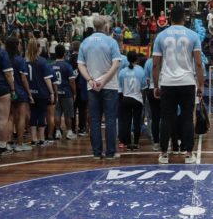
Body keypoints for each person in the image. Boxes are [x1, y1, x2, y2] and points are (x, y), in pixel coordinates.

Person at [152, 4, 203, 164]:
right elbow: (199, 64)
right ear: (184, 17)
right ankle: (188, 154)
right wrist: (200, 85)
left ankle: (163, 154)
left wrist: (156, 85)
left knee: (166, 118)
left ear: (169, 17)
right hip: (187, 82)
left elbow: (155, 64)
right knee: (187, 118)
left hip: (167, 82)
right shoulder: (193, 35)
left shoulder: (160, 36)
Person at [78, 15, 122, 160]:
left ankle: (96, 153)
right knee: (110, 119)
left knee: (95, 120)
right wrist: (103, 81)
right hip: (109, 85)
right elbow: (116, 64)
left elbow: (80, 65)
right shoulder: (111, 42)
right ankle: (110, 153)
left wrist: (90, 80)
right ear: (106, 26)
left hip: (92, 86)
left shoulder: (85, 42)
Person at [25, 39, 54, 146]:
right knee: (42, 114)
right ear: (38, 48)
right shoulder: (42, 61)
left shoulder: (26, 61)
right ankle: (41, 139)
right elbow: (47, 79)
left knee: (33, 114)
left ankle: (33, 139)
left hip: (30, 92)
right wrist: (51, 92)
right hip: (42, 92)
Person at [7, 37, 33, 151]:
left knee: (10, 117)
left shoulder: (4, 58)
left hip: (7, 90)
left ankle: (7, 142)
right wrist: (29, 93)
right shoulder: (20, 60)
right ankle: (19, 143)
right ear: (17, 46)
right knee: (21, 117)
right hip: (20, 91)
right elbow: (23, 79)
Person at [118, 51, 146, 150]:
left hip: (126, 99)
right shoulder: (140, 70)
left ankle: (128, 143)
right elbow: (143, 87)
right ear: (136, 59)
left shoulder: (122, 72)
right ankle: (136, 142)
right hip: (137, 99)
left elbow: (120, 88)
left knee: (127, 121)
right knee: (137, 121)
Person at [51, 44, 77, 141]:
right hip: (66, 93)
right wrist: (74, 92)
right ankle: (69, 132)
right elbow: (72, 81)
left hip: (56, 93)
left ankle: (57, 132)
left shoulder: (51, 65)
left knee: (57, 113)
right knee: (68, 113)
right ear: (64, 53)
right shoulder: (67, 66)